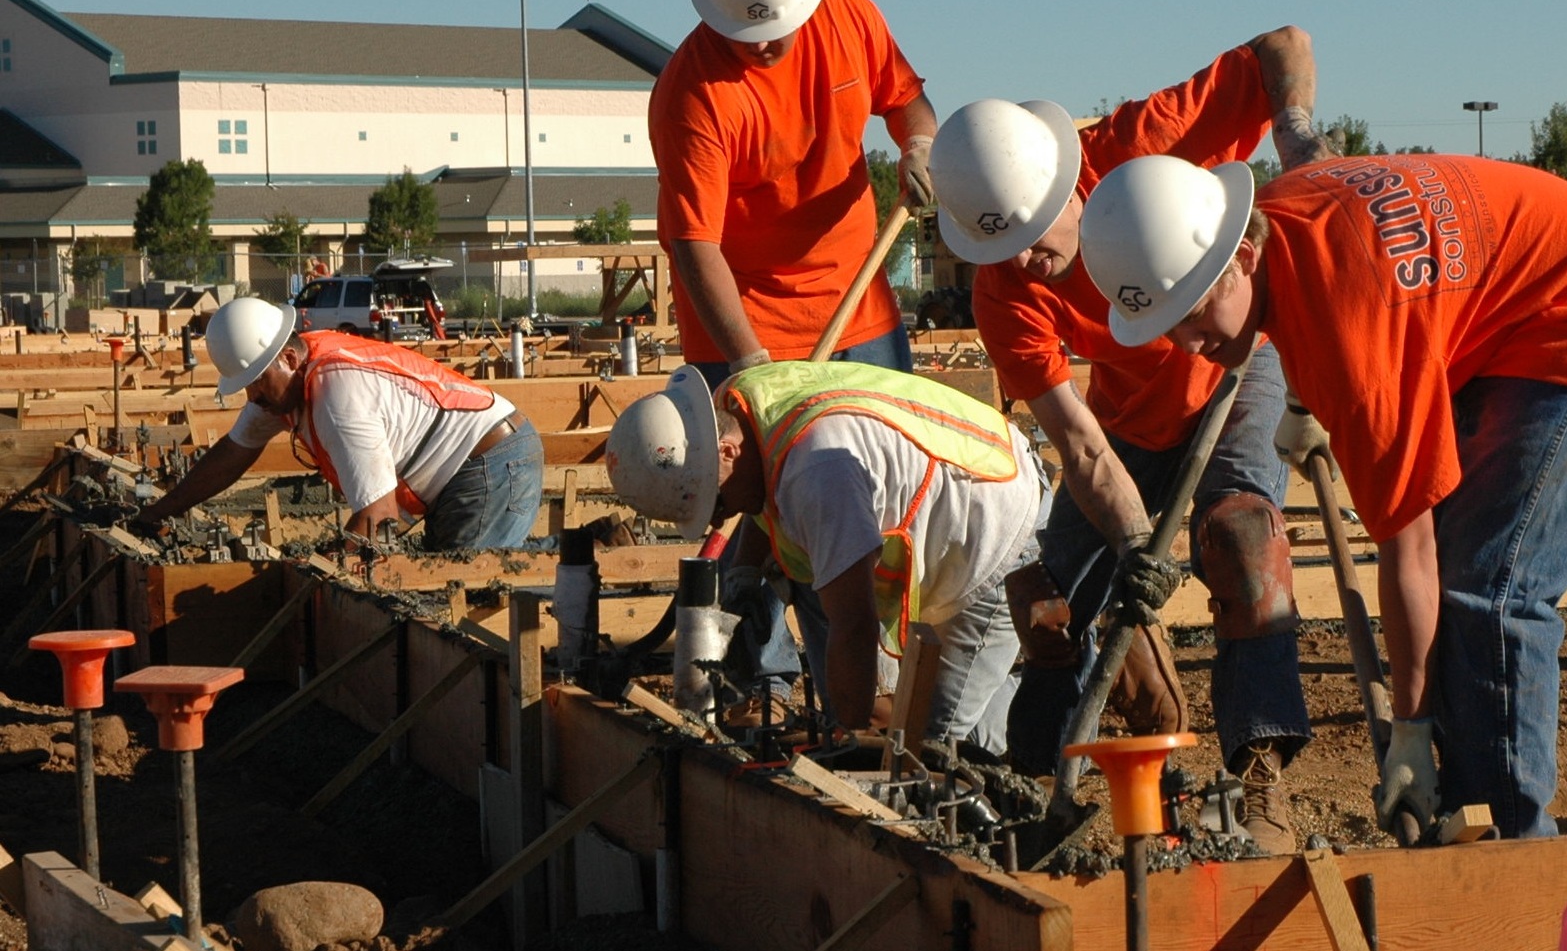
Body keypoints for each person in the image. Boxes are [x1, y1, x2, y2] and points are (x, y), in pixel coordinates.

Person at [1077, 153, 1567, 840]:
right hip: (1503, 316)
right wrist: (1306, 396)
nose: (1189, 343)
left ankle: (1510, 849)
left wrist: (1408, 730)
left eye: (1195, 311)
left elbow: (1411, 552)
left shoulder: (1354, 342)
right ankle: (1462, 810)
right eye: (1168, 325)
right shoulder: (1281, 216)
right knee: (1460, 578)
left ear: (1243, 253)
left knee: (1489, 591)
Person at [926, 28, 1329, 851]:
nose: (1029, 260)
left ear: (1072, 183)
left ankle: (1262, 781)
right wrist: (1135, 542)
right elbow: (1079, 447)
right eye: (1004, 247)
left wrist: (1295, 138)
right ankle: (1042, 782)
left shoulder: (1145, 141)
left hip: (1233, 361)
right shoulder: (1004, 293)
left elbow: (1281, 46)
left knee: (1242, 540)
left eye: (1037, 232)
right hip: (1130, 419)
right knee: (1050, 600)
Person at [603, 364, 1047, 751]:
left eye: (716, 503)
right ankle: (1020, 707)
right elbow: (760, 488)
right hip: (965, 494)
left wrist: (848, 749)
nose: (723, 516)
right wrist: (743, 574)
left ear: (725, 452)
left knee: (921, 745)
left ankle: (1049, 736)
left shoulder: (819, 475)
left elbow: (854, 624)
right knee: (919, 709)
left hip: (998, 530)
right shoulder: (737, 408)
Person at [651, 0, 937, 384]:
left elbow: (906, 98)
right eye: (745, 35)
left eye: (773, 33)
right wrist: (748, 363)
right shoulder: (691, 96)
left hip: (861, 304)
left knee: (889, 454)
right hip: (746, 325)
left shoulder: (848, 15)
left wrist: (920, 145)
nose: (761, 47)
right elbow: (695, 246)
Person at [135, 297, 543, 551]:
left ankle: (588, 555)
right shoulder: (284, 387)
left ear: (289, 359)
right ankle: (591, 544)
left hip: (489, 465)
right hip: (467, 469)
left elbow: (379, 515)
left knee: (463, 595)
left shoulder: (337, 397)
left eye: (257, 382)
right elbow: (233, 452)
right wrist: (159, 511)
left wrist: (326, 573)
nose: (252, 397)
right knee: (446, 575)